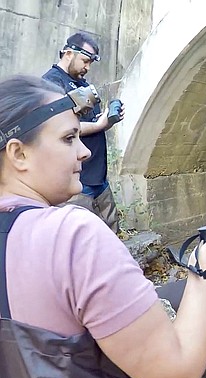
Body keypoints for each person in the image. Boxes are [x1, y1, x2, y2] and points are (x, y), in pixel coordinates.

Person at [0, 75, 206, 378]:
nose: (85, 152)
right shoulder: (72, 235)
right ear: (18, 153)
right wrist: (201, 277)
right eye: (68, 138)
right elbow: (180, 374)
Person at [43, 31, 122, 233]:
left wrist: (107, 118)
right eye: (85, 61)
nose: (87, 67)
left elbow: (87, 122)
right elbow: (57, 127)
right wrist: (99, 125)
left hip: (98, 179)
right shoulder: (51, 84)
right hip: (77, 182)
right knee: (82, 240)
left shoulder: (83, 84)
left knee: (111, 235)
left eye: (90, 63)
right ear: (68, 53)